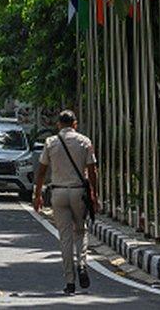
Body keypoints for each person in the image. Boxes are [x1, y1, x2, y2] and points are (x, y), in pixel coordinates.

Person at [32, 109, 99, 295]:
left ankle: (70, 281)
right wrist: (94, 194)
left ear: (59, 125)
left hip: (59, 193)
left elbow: (42, 171)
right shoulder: (84, 141)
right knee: (81, 230)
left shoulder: (51, 142)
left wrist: (37, 195)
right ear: (75, 124)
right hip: (79, 193)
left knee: (65, 237)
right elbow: (92, 171)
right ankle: (83, 264)